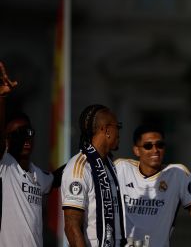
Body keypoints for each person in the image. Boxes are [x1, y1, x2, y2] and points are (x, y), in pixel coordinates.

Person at [114, 124, 191, 247]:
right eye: (148, 146)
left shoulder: (178, 174)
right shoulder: (121, 168)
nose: (155, 150)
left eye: (160, 145)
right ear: (136, 150)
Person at [0, 62, 59, 246]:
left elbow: (55, 178)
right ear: (7, 140)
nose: (25, 137)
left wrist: (86, 153)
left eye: (29, 132)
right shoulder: (5, 165)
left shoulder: (37, 175)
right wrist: (1, 98)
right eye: (17, 134)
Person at [61, 104, 126, 247]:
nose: (119, 132)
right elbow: (72, 227)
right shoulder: (80, 167)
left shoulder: (109, 165)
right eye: (118, 126)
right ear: (107, 130)